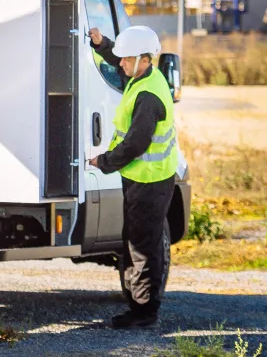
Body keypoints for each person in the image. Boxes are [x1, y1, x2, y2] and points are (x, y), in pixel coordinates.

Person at [87, 25, 178, 329]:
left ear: (144, 59)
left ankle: (144, 313)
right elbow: (118, 61)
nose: (122, 63)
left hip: (150, 180)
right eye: (123, 58)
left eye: (127, 59)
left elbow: (136, 144)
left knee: (142, 247)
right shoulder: (143, 75)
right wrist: (102, 44)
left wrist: (104, 161)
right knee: (136, 241)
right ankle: (138, 306)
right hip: (144, 178)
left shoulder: (148, 96)